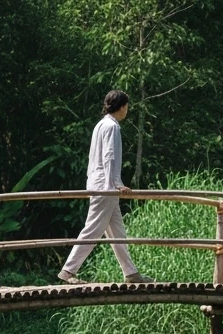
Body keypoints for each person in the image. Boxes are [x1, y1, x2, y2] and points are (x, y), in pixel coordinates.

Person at [58, 90, 155, 285]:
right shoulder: (112, 127)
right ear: (123, 106)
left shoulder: (100, 125)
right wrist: (116, 184)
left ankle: (131, 273)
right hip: (106, 185)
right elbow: (109, 156)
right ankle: (68, 271)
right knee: (93, 228)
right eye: (127, 106)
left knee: (117, 231)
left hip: (99, 182)